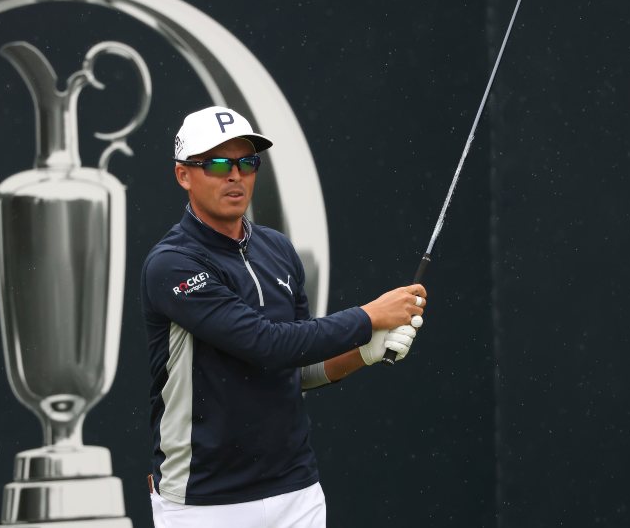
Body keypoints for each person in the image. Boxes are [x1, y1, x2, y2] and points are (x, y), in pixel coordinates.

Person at [141, 105, 428, 528]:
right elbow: (266, 344)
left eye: (247, 162)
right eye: (218, 163)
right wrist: (369, 316)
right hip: (203, 501)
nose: (235, 175)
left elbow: (297, 367)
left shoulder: (278, 250)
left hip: (296, 490)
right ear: (184, 174)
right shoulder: (173, 264)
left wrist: (364, 353)